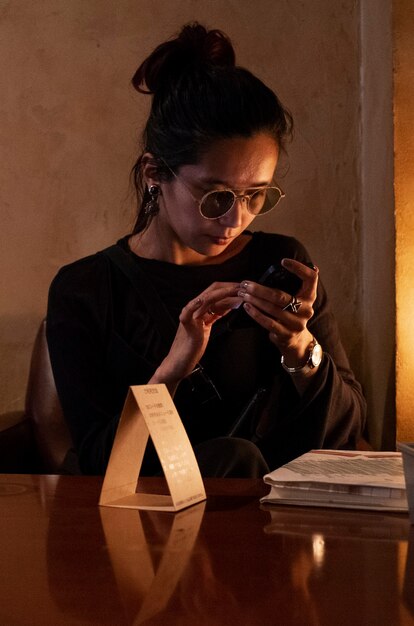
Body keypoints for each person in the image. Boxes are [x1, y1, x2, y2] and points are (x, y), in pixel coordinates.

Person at [46, 22, 366, 477]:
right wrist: (175, 366)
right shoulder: (87, 289)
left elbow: (348, 428)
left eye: (256, 195)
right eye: (215, 196)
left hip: (277, 529)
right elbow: (101, 463)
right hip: (146, 533)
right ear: (155, 172)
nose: (235, 219)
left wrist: (300, 346)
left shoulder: (281, 265)